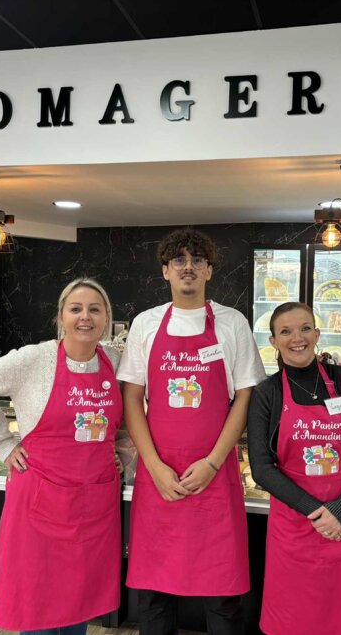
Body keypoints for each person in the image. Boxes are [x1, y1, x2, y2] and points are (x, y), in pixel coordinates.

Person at [117, 228, 265, 635]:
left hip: (214, 479)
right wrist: (156, 467)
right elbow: (133, 400)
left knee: (223, 597)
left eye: (197, 260)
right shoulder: (147, 324)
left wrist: (214, 463)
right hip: (158, 475)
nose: (188, 267)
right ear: (165, 271)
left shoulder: (232, 323)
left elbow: (245, 398)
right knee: (153, 596)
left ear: (209, 271)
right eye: (178, 261)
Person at [0, 278, 123, 635]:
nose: (85, 317)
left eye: (95, 309)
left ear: (107, 317)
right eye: (75, 309)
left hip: (93, 502)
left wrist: (124, 453)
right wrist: (2, 443)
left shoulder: (116, 360)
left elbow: (136, 411)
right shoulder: (35, 359)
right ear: (60, 316)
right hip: (38, 502)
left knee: (79, 599)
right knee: (36, 601)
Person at [247, 302, 341, 635]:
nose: (298, 338)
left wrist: (339, 510)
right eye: (286, 331)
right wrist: (318, 514)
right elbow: (262, 469)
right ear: (273, 342)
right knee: (296, 618)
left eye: (305, 328)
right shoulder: (267, 393)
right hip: (296, 527)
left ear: (317, 333)